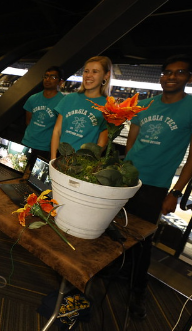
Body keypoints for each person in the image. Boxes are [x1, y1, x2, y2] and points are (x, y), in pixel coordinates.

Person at [123, 54, 192, 320]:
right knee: (118, 228)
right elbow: (131, 142)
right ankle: (116, 270)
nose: (171, 77)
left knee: (143, 240)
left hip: (156, 186)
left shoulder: (190, 108)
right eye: (167, 72)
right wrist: (126, 173)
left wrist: (175, 192)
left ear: (188, 77)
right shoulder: (145, 105)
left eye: (179, 72)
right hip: (128, 179)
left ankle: (137, 288)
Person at [50, 56, 112, 159]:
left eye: (95, 71)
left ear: (106, 75)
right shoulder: (69, 98)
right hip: (60, 158)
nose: (88, 75)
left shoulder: (108, 106)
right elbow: (57, 131)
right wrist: (53, 159)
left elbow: (101, 144)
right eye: (86, 71)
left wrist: (83, 166)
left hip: (83, 163)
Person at [21, 66, 65, 164]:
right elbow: (28, 121)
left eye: (53, 77)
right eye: (46, 76)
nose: (48, 79)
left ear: (60, 82)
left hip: (46, 148)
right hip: (27, 143)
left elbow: (61, 129)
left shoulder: (63, 102)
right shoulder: (32, 98)